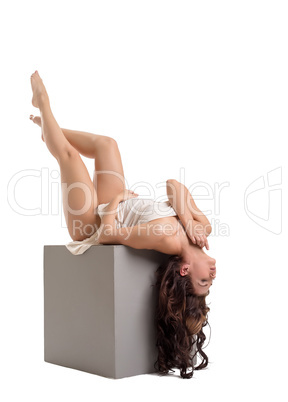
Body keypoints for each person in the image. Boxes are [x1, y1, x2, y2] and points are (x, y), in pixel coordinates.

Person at [29, 70, 217, 379]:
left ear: (185, 270)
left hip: (92, 223)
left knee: (71, 158)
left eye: (203, 282)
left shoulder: (167, 239)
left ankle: (43, 104)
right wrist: (190, 219)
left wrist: (115, 205)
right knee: (107, 144)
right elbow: (172, 185)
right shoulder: (202, 230)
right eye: (211, 281)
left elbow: (109, 235)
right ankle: (50, 130)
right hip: (114, 202)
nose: (212, 275)